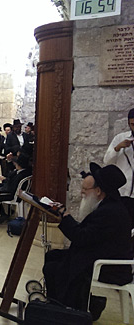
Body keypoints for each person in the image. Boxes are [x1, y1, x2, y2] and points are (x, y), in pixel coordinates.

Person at [43, 162, 132, 320]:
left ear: (98, 191)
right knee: (53, 256)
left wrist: (66, 218)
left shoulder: (109, 212)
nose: (82, 192)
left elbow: (82, 238)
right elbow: (89, 235)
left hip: (109, 266)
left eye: (85, 189)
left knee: (53, 267)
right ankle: (60, 305)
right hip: (100, 254)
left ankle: (65, 312)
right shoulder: (108, 206)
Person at [103, 107, 134, 242]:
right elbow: (107, 160)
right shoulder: (120, 138)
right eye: (133, 124)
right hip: (123, 192)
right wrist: (118, 148)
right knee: (122, 229)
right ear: (128, 123)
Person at [0, 153, 33, 224]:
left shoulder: (20, 175)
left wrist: (1, 191)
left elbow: (11, 187)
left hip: (12, 193)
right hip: (12, 190)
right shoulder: (24, 172)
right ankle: (3, 213)